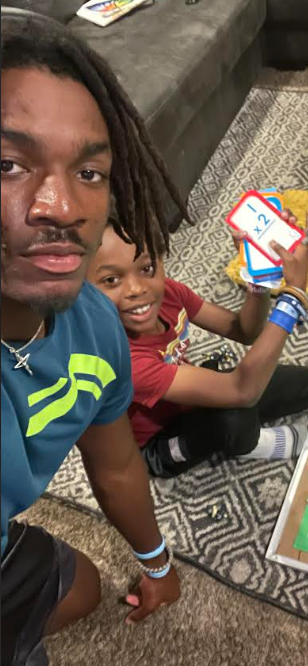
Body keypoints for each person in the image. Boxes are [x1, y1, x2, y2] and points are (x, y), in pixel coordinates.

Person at [1, 10, 185, 665]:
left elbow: (114, 463)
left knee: (81, 589)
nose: (62, 208)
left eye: (89, 172)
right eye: (8, 164)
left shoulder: (94, 322)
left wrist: (157, 563)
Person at [87, 213, 308, 477]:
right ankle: (251, 444)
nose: (136, 289)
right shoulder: (122, 358)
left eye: (147, 268)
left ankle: (232, 426)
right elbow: (241, 390)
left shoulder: (168, 293)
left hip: (185, 398)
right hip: (156, 443)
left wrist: (259, 278)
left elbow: (244, 331)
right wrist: (292, 298)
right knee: (233, 415)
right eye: (111, 280)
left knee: (307, 386)